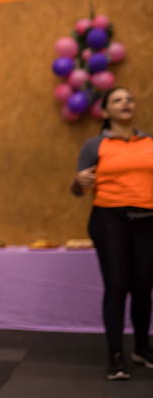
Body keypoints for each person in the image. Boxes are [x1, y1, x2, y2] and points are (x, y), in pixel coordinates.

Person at [72, 87, 153, 380]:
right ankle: (116, 355)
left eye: (129, 99)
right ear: (106, 112)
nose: (126, 103)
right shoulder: (95, 145)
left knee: (144, 287)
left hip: (148, 221)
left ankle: (142, 348)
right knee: (118, 285)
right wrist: (79, 181)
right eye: (117, 100)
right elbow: (78, 190)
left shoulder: (149, 142)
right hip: (109, 221)